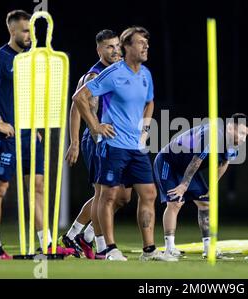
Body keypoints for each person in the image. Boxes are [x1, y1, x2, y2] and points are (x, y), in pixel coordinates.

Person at [0, 10, 73, 259]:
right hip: (7, 139)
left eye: (31, 30)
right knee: (0, 189)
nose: (29, 35)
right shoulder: (0, 58)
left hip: (30, 137)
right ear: (12, 31)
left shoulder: (32, 58)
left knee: (38, 187)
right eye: (25, 30)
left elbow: (29, 96)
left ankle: (46, 243)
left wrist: (36, 126)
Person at [73, 26, 175, 261]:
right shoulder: (114, 72)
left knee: (148, 193)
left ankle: (149, 250)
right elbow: (79, 97)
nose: (146, 46)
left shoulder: (146, 74)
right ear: (126, 47)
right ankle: (108, 248)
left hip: (136, 147)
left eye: (147, 43)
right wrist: (95, 126)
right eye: (140, 42)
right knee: (108, 196)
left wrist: (145, 129)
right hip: (112, 145)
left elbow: (150, 102)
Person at [61, 29, 132, 259]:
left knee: (123, 197)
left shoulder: (121, 70)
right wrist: (75, 142)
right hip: (97, 141)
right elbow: (76, 107)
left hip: (118, 141)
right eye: (109, 47)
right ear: (99, 49)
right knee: (105, 194)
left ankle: (84, 235)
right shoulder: (93, 76)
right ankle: (99, 245)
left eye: (116, 46)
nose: (114, 50)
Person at [154, 114, 248, 258]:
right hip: (169, 161)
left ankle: (208, 248)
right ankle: (170, 248)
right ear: (230, 127)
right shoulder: (213, 135)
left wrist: (213, 186)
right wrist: (183, 185)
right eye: (242, 133)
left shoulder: (233, 145)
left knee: (206, 203)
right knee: (175, 203)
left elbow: (224, 163)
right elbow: (196, 161)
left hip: (187, 167)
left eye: (246, 135)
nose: (244, 139)